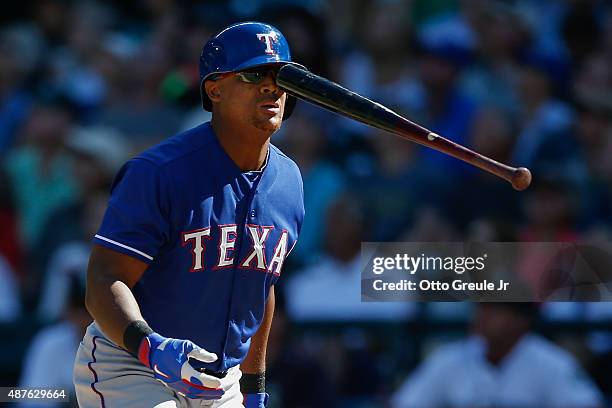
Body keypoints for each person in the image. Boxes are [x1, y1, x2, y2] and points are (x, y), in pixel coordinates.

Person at [72, 22, 305, 408]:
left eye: (280, 75)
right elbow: (103, 278)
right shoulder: (160, 172)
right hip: (133, 365)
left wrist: (255, 386)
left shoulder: (290, 182)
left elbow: (259, 286)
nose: (270, 86)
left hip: (221, 381)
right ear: (214, 89)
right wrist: (150, 347)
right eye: (253, 74)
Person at [390, 303, 603, 408]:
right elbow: (407, 403)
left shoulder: (552, 363)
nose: (482, 316)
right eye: (481, 308)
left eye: (494, 310)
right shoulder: (450, 359)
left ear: (522, 320)